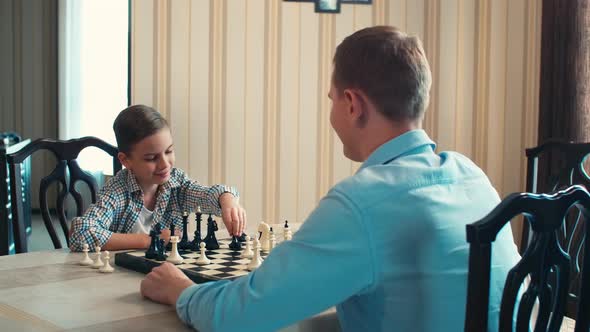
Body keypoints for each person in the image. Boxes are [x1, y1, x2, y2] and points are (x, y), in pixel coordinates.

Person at [140, 26, 521, 331]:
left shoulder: (362, 202)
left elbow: (241, 316)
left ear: (352, 104)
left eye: (331, 99)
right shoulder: (472, 175)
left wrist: (183, 292)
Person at [69, 105, 246, 252]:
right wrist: (150, 240)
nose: (164, 164)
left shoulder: (176, 183)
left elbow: (207, 195)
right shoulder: (117, 191)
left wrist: (227, 199)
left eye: (169, 151)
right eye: (151, 158)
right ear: (126, 160)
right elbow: (80, 233)